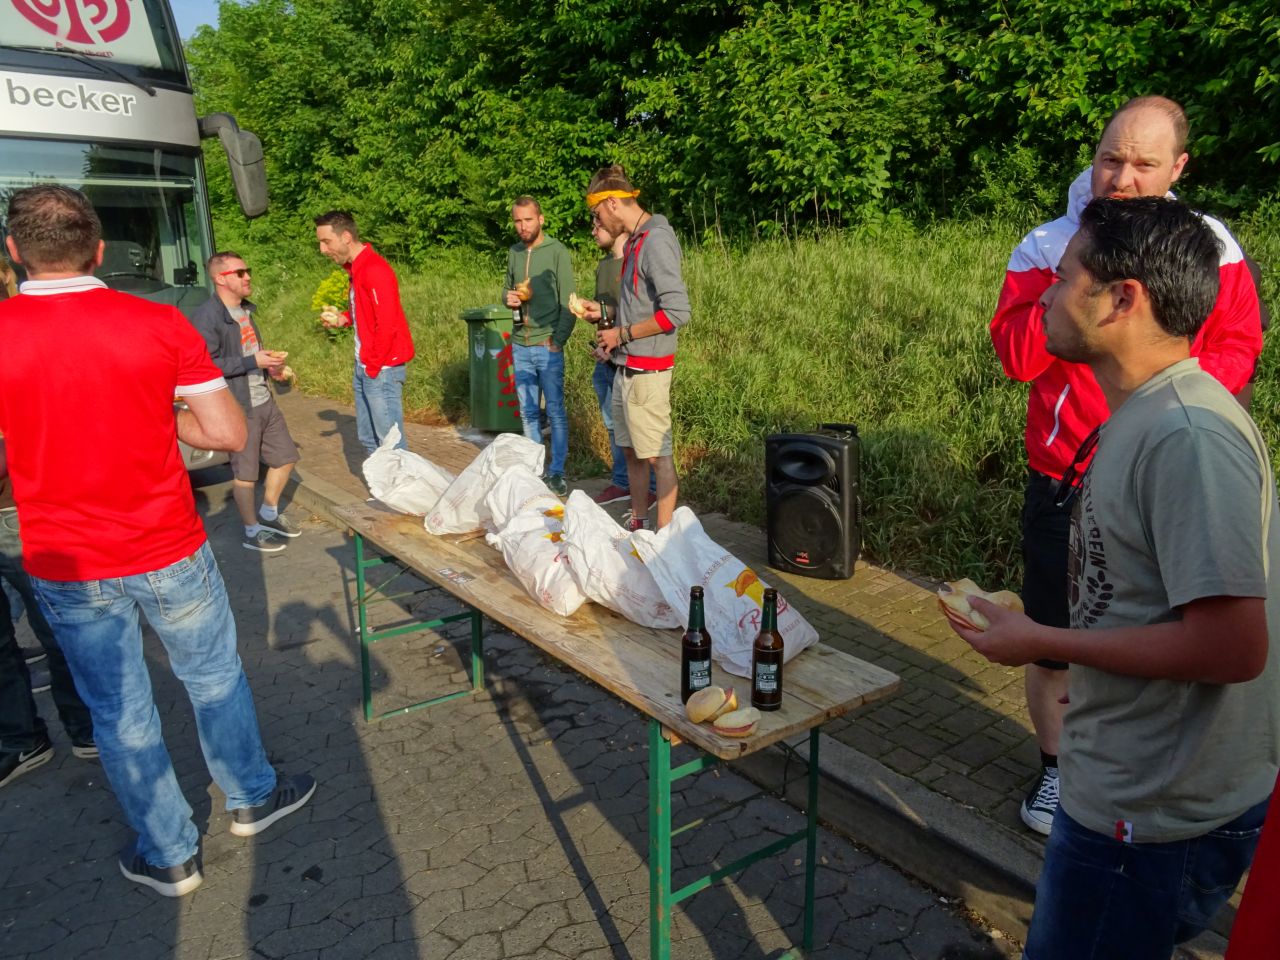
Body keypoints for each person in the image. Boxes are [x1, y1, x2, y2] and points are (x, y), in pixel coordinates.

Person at [953, 196, 1279, 958]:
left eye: (1065, 277)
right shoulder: (1142, 411)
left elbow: (1234, 647)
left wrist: (1042, 639)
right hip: (1122, 786)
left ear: (1121, 299)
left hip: (1150, 815)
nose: (1046, 294)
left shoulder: (1188, 435)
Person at [0, 185, 315, 897]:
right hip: (167, 542)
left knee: (118, 710)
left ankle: (170, 851)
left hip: (65, 558)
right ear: (100, 250)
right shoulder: (158, 324)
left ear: (15, 251)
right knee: (213, 678)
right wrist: (160, 419)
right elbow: (230, 435)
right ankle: (251, 798)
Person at [989, 96, 1263, 835]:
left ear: (1178, 168)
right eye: (1111, 158)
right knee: (1057, 632)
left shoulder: (1207, 247)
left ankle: (1146, 790)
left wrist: (1164, 404)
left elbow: (1240, 345)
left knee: (1158, 630)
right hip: (1064, 474)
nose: (1122, 178)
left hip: (1159, 470)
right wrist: (1073, 281)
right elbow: (1016, 356)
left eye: (1144, 164)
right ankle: (1057, 772)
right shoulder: (1050, 245)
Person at [580, 165, 691, 531]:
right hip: (624, 368)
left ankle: (665, 541)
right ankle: (639, 523)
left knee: (658, 455)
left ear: (612, 203)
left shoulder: (656, 240)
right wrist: (607, 315)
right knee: (631, 452)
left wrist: (622, 334)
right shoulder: (636, 241)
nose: (597, 222)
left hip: (648, 372)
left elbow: (676, 312)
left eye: (597, 214)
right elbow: (639, 306)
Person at [191, 251, 303, 554]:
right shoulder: (206, 317)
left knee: (286, 457)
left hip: (263, 398)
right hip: (239, 404)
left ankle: (268, 514)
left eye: (247, 270)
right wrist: (252, 360)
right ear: (220, 279)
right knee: (245, 474)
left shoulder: (246, 311)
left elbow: (252, 354)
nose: (247, 276)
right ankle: (251, 531)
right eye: (240, 273)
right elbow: (207, 365)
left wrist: (271, 367)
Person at [315, 210, 416, 456]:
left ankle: (401, 494)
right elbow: (367, 311)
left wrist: (372, 366)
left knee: (390, 444)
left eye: (326, 241)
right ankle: (382, 491)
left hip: (380, 369)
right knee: (369, 438)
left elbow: (388, 324)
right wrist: (343, 319)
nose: (322, 249)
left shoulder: (374, 270)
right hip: (366, 366)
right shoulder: (356, 269)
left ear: (346, 236)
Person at [502, 196, 575, 497]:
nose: (523, 226)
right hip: (520, 343)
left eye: (528, 220)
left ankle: (556, 473)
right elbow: (506, 290)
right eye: (518, 221)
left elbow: (569, 302)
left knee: (555, 411)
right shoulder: (514, 253)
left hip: (547, 345)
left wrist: (557, 341)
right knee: (528, 413)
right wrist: (507, 298)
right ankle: (535, 471)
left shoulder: (557, 251)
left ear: (540, 219)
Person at [586, 212, 655, 507]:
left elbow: (637, 313)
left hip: (632, 359)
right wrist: (594, 318)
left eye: (597, 224)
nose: (593, 231)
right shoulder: (603, 267)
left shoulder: (635, 259)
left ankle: (650, 488)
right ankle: (622, 483)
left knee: (638, 426)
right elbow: (607, 315)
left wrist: (615, 341)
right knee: (614, 426)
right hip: (606, 356)